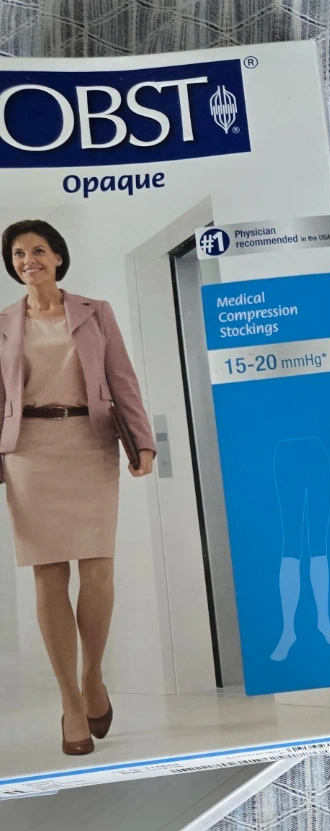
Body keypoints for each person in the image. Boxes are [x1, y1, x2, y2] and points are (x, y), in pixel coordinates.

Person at [0, 219, 156, 756]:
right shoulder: (2, 323)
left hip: (90, 446)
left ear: (58, 257)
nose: (28, 261)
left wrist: (143, 442)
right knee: (48, 575)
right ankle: (70, 701)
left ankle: (93, 676)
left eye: (38, 251)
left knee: (98, 568)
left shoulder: (95, 312)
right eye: (18, 255)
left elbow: (122, 379)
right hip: (29, 454)